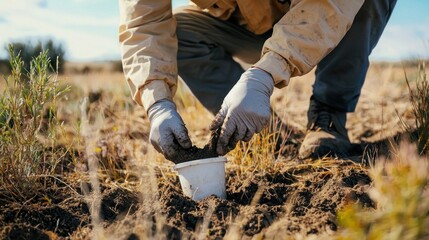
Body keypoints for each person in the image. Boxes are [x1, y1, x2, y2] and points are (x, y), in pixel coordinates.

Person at [118, 0, 396, 161]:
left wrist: (265, 75)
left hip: (326, 15)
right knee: (182, 30)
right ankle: (263, 130)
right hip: (246, 27)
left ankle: (329, 116)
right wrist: (157, 104)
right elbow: (143, 25)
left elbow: (332, 4)